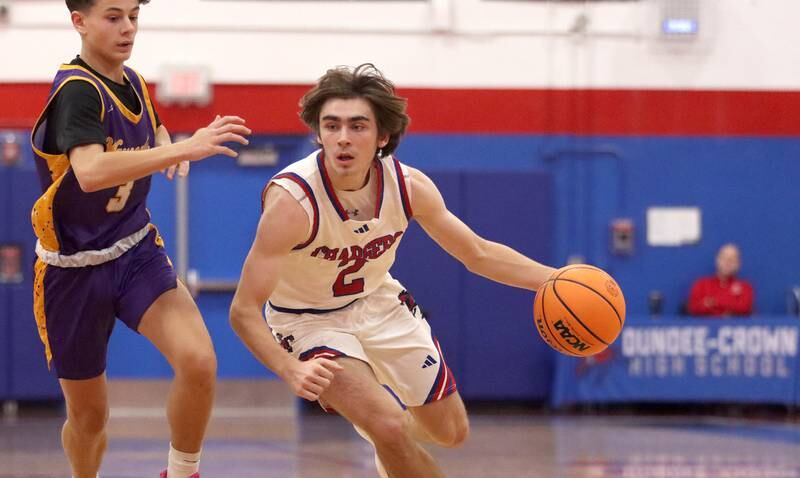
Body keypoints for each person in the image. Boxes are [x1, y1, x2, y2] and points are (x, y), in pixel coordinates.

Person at [229, 63, 556, 477]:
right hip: (308, 322)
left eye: (357, 126)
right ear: (319, 133)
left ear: (382, 136)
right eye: (331, 125)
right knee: (389, 425)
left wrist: (554, 279)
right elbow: (243, 310)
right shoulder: (292, 203)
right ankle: (385, 432)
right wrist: (289, 368)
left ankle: (386, 436)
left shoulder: (408, 186)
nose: (343, 137)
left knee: (451, 432)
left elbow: (477, 253)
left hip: (378, 302)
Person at [30, 1, 250, 477]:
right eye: (113, 17)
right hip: (72, 270)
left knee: (198, 361)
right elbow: (90, 171)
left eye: (133, 15)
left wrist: (169, 146)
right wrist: (187, 147)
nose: (127, 27)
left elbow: (156, 126)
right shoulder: (78, 90)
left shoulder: (131, 80)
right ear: (79, 21)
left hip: (134, 251)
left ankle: (182, 471)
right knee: (90, 418)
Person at [687, 243, 754, 317]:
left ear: (738, 264)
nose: (728, 262)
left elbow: (744, 308)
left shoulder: (745, 287)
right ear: (717, 260)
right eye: (724, 258)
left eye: (732, 259)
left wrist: (713, 302)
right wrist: (729, 306)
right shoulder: (701, 285)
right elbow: (694, 307)